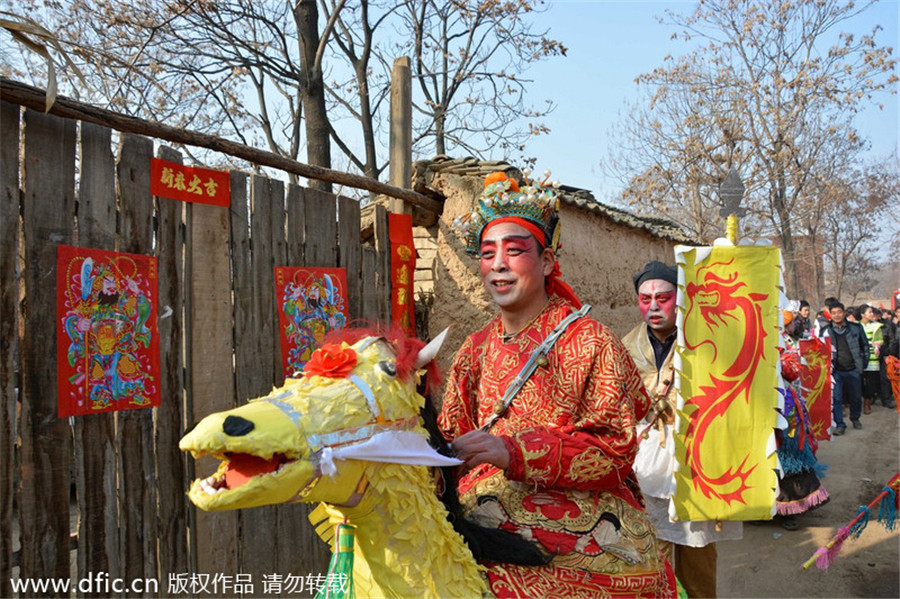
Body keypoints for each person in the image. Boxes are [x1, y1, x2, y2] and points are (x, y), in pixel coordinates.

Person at [440, 171, 676, 598]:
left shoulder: (591, 342)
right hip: (484, 506)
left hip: (582, 512)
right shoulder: (473, 351)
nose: (498, 265)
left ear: (547, 261)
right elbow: (450, 442)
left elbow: (615, 452)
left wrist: (514, 452)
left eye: (514, 251)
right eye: (488, 253)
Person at [622, 261, 741, 598]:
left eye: (663, 298)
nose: (654, 306)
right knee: (650, 557)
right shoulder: (625, 346)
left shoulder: (707, 340)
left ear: (680, 300)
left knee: (697, 555)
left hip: (696, 459)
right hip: (646, 462)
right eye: (645, 299)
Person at [819, 302, 869, 435]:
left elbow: (865, 346)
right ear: (830, 314)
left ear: (844, 313)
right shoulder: (825, 331)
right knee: (836, 398)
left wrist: (863, 363)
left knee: (856, 397)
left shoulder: (855, 328)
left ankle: (855, 418)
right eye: (834, 313)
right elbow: (820, 351)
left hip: (853, 369)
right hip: (836, 371)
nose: (837, 315)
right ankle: (840, 424)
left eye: (839, 312)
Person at [859, 304, 884, 414]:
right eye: (869, 312)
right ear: (862, 314)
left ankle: (867, 403)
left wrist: (878, 344)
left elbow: (879, 339)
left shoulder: (876, 326)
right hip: (860, 357)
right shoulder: (856, 326)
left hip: (873, 357)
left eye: (872, 312)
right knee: (860, 381)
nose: (871, 314)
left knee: (871, 382)